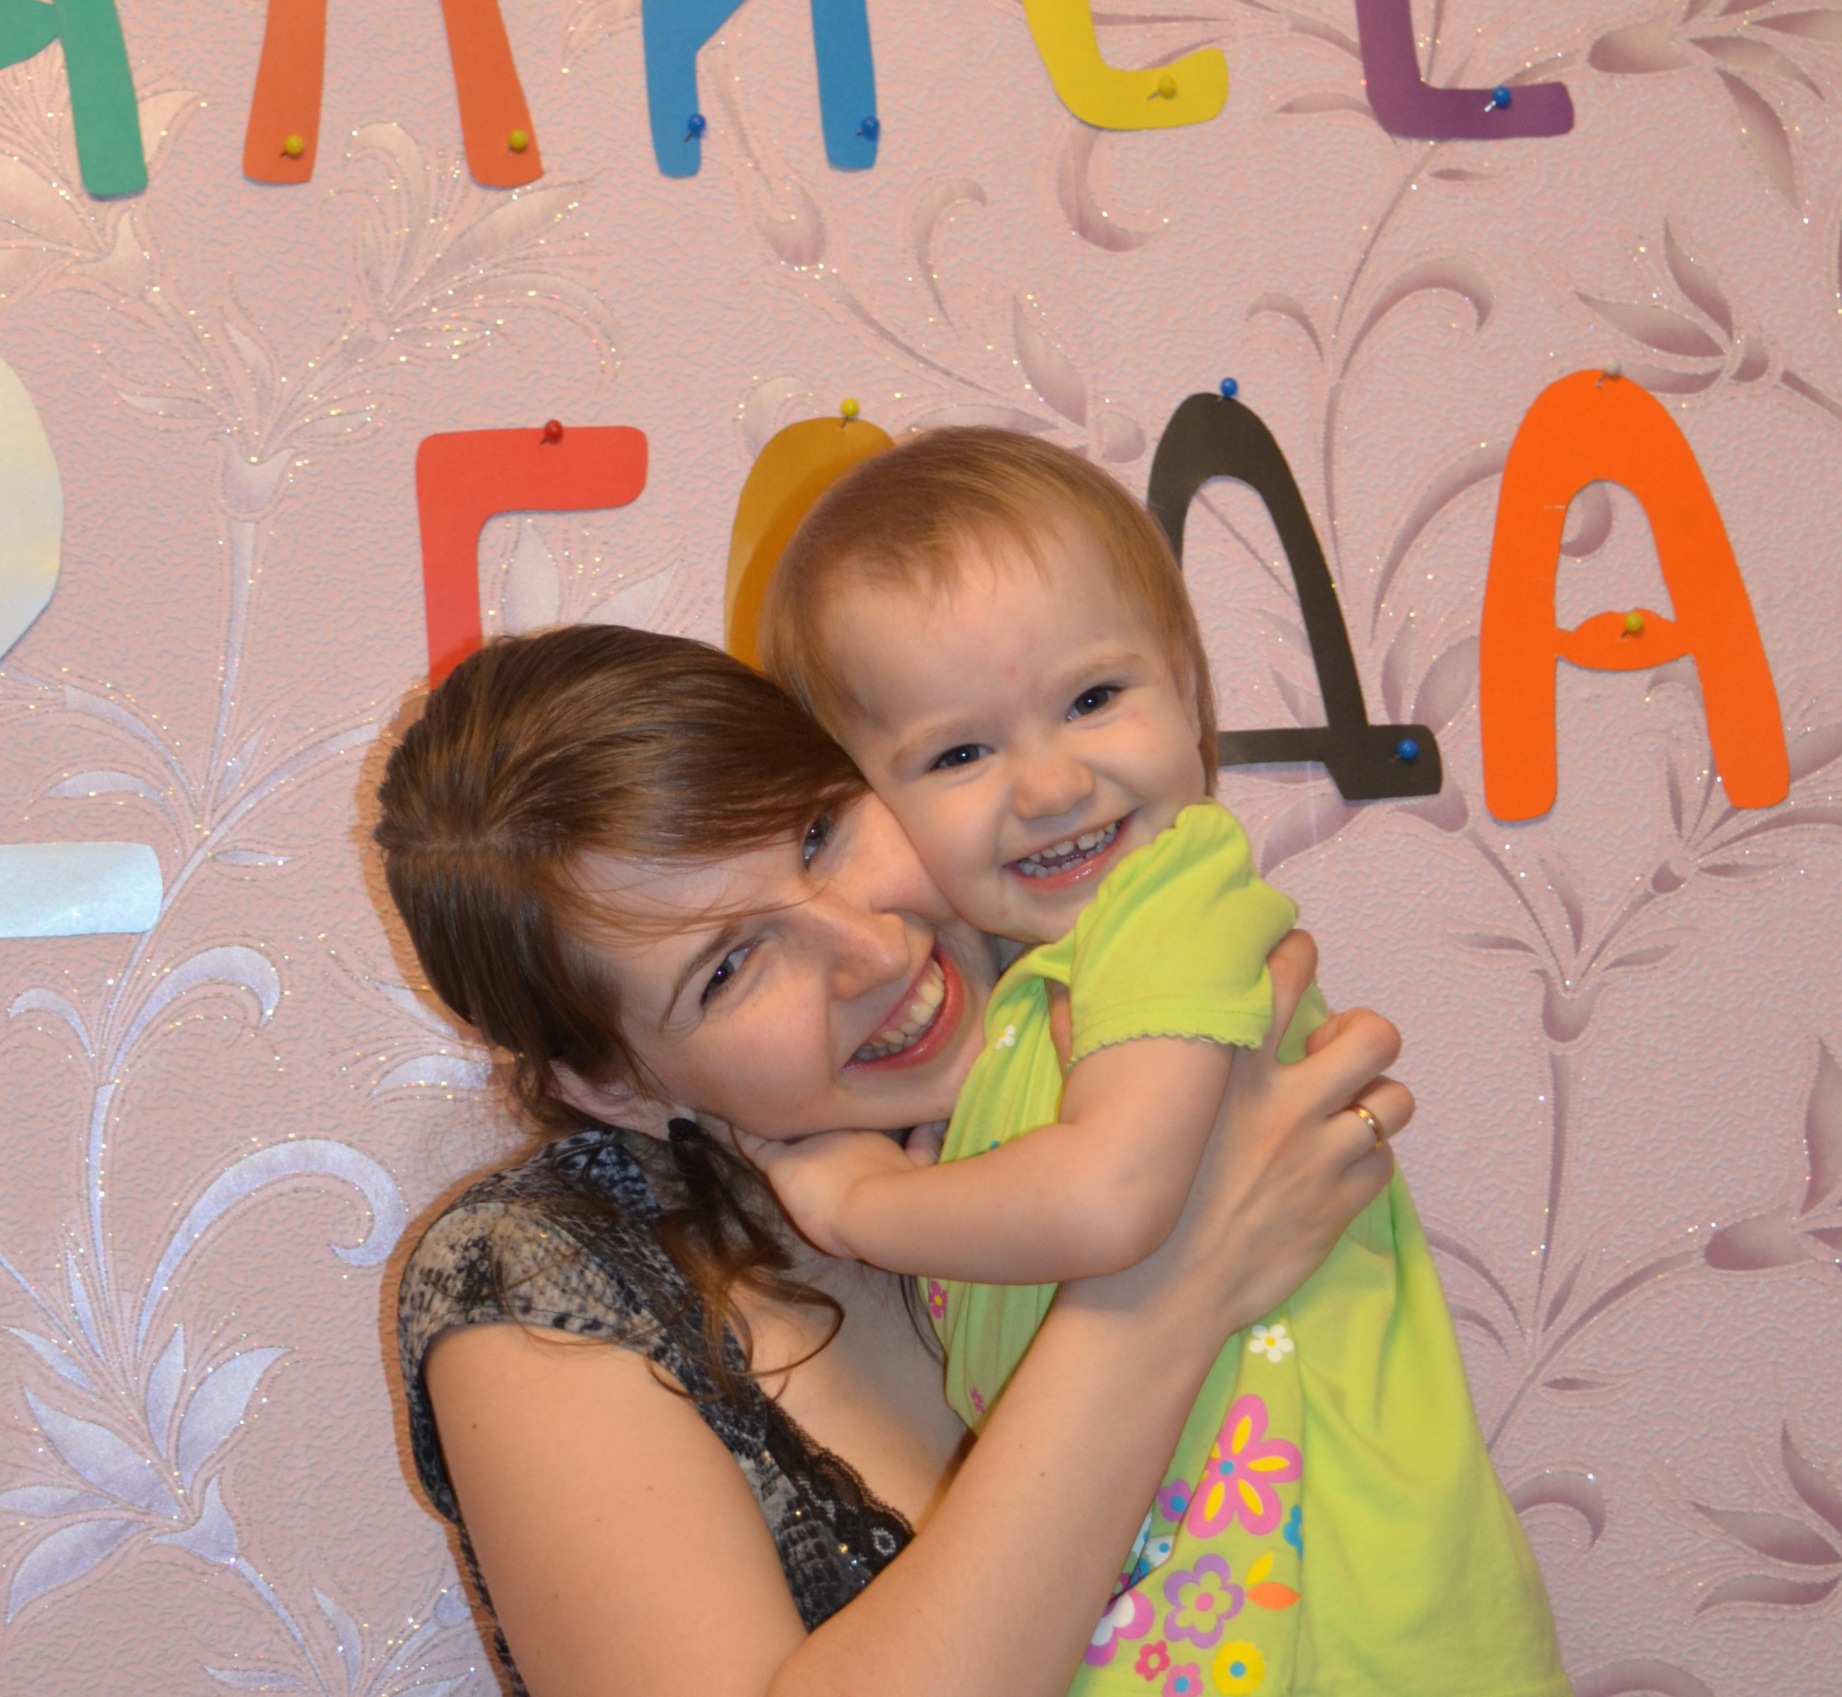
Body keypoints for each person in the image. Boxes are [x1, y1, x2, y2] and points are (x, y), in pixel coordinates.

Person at [375, 623, 1414, 1697]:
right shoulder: (542, 1291)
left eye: (819, 832)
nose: (871, 951)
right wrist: (1170, 1283)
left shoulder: (1095, 1033)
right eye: (729, 968)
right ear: (619, 1088)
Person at [754, 426, 1567, 1694]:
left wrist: (862, 1201)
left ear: (1187, 689)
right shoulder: (1027, 999)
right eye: (958, 752)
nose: (1048, 782)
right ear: (869, 805)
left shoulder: (1173, 905)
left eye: (1092, 698)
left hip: (1345, 1618)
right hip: (1204, 1613)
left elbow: (1109, 1198)